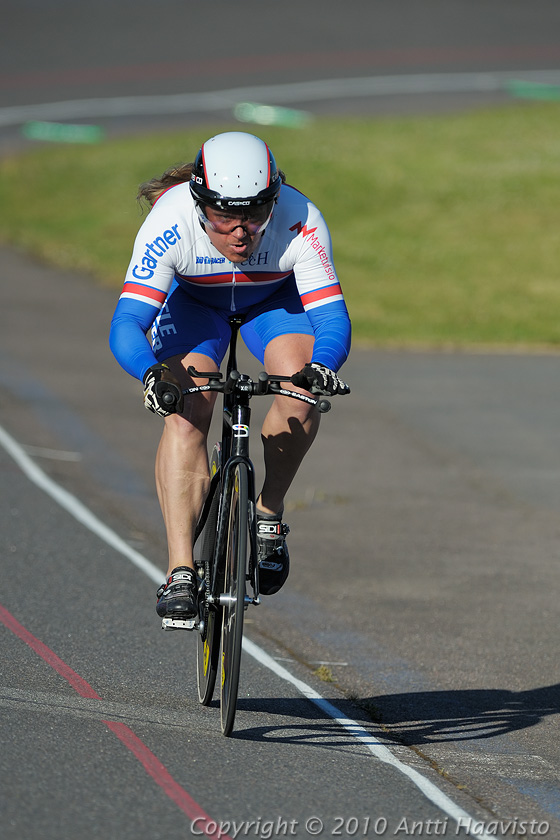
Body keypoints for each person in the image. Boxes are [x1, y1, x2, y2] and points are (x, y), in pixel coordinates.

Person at [109, 131, 351, 622]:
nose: (240, 232)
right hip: (196, 305)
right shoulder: (170, 220)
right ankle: (181, 570)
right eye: (223, 217)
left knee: (300, 392)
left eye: (256, 215)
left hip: (271, 304)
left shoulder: (302, 219)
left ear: (274, 202)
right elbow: (127, 323)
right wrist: (152, 374)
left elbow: (331, 319)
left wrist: (322, 365)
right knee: (186, 410)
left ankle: (268, 515)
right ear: (199, 206)